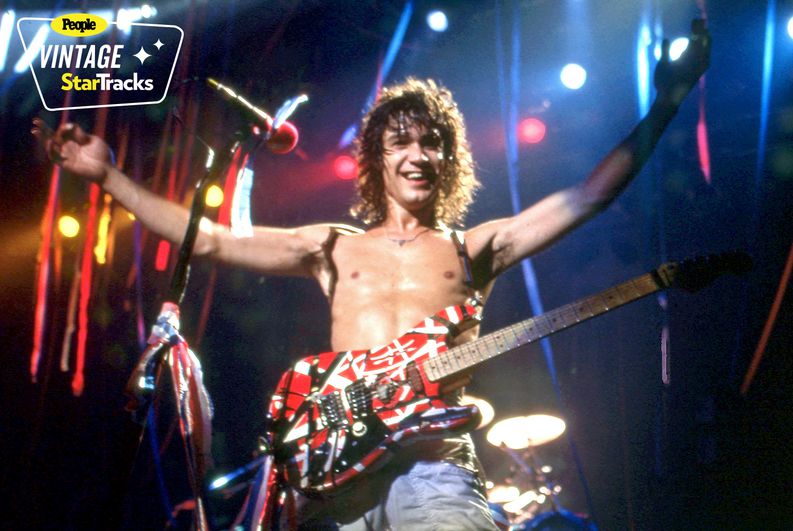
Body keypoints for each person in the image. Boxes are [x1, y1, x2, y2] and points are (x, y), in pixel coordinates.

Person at [33, 20, 710, 531]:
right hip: (333, 477)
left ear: (448, 158)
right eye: (401, 142)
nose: (417, 154)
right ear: (376, 159)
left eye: (431, 142)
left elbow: (586, 197)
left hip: (432, 465)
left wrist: (668, 104)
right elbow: (207, 240)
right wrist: (109, 176)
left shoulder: (474, 246)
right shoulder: (332, 246)